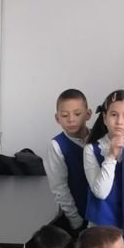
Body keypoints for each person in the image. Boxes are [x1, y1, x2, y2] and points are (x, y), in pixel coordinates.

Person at [83, 89, 124, 227]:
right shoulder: (91, 149)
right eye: (114, 115)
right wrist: (111, 156)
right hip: (101, 227)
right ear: (104, 117)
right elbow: (101, 193)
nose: (119, 121)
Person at [44, 89, 92, 234]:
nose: (71, 119)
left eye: (77, 114)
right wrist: (76, 221)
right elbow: (60, 188)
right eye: (65, 115)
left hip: (103, 217)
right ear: (57, 118)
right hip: (77, 218)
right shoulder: (57, 146)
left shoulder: (101, 139)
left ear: (88, 114)